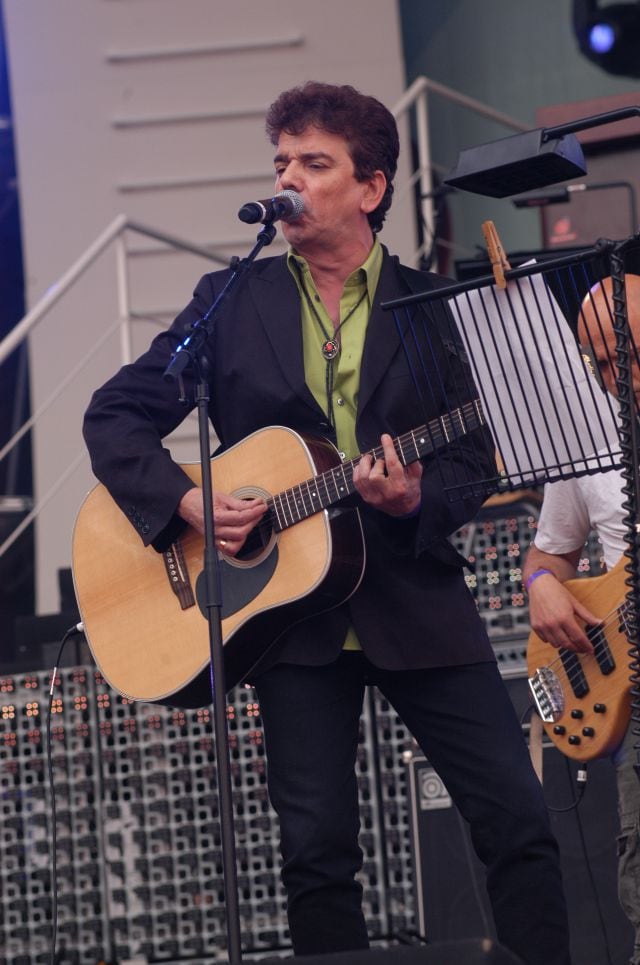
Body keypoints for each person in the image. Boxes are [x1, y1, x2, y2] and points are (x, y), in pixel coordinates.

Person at [83, 81, 571, 964]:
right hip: (287, 624)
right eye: (281, 164)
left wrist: (414, 499)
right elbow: (114, 414)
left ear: (371, 187)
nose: (290, 181)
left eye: (314, 163)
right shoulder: (231, 301)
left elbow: (475, 460)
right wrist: (188, 500)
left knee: (519, 819)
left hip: (415, 600)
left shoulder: (434, 311)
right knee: (315, 855)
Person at [523, 274, 640, 965]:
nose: (611, 376)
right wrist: (541, 585)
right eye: (595, 361)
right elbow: (549, 552)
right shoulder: (586, 427)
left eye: (623, 354)